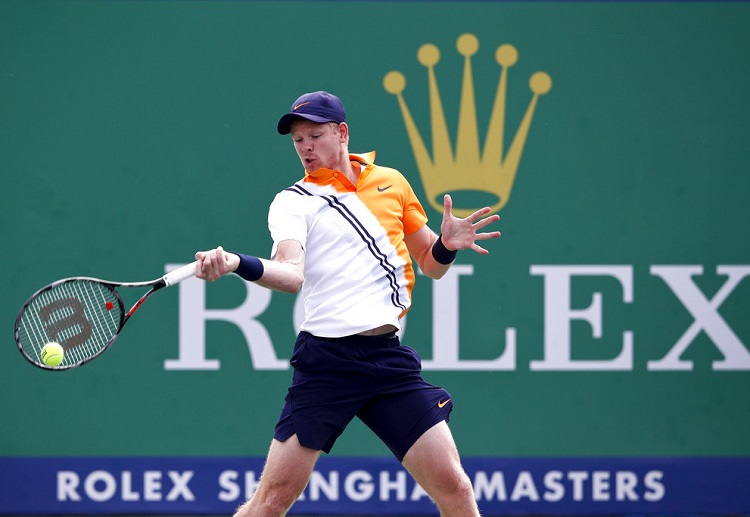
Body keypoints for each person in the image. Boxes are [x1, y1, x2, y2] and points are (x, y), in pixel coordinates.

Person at [195, 91, 500, 517]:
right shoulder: (293, 202)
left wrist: (448, 244)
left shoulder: (392, 182)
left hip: (387, 362)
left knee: (456, 488)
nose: (305, 148)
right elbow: (290, 274)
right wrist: (234, 263)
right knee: (272, 502)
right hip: (328, 363)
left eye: (315, 135)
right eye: (297, 139)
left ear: (342, 133)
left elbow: (430, 264)